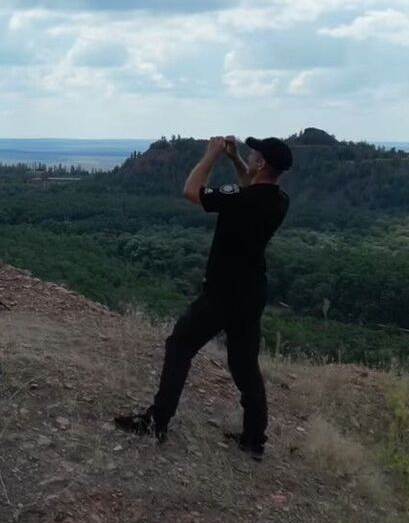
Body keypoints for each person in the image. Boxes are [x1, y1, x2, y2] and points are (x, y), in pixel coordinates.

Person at [114, 134, 293, 460]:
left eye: (254, 153)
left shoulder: (242, 198)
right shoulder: (278, 199)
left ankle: (158, 421)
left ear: (262, 162)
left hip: (223, 292)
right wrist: (235, 158)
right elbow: (249, 185)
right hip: (252, 293)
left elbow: (191, 190)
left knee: (180, 344)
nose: (251, 156)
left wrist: (210, 155)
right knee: (244, 364)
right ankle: (254, 439)